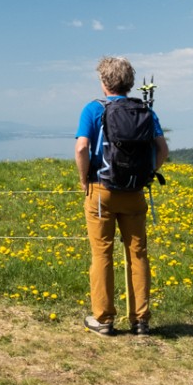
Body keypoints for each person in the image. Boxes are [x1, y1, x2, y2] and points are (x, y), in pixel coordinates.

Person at [74, 56, 168, 336]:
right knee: (137, 254)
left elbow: (81, 149)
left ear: (104, 82)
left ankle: (103, 319)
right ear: (129, 83)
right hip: (135, 191)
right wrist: (147, 172)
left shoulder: (93, 109)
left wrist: (83, 181)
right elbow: (162, 149)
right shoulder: (146, 112)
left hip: (102, 191)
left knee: (102, 253)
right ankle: (141, 320)